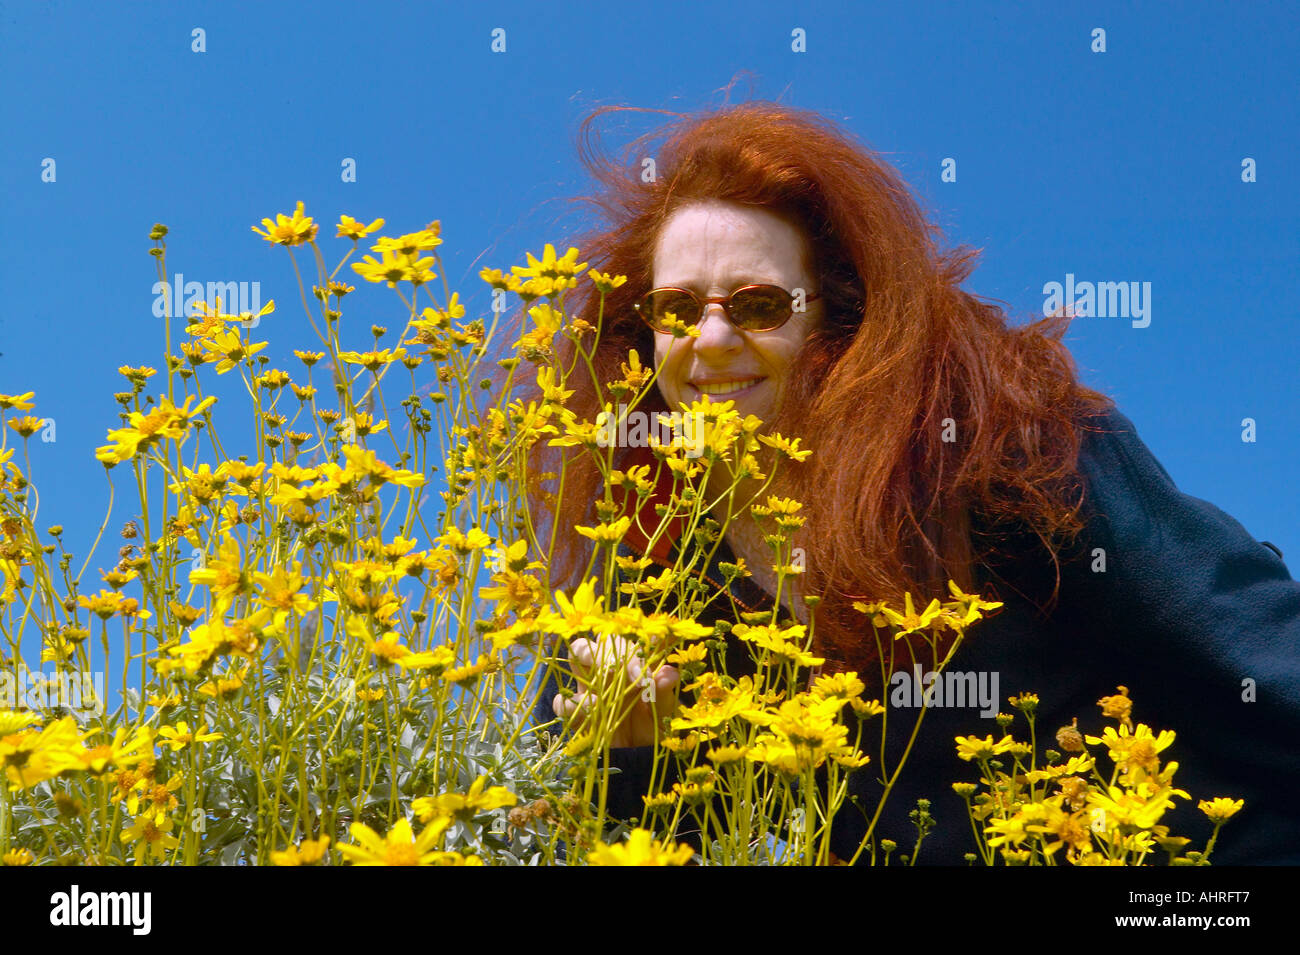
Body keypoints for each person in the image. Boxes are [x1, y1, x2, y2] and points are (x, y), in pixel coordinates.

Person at [526, 101, 1300, 864]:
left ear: (839, 318)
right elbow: (576, 831)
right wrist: (627, 761)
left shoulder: (1014, 450)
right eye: (677, 308)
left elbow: (1251, 640)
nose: (714, 338)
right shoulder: (641, 584)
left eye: (759, 305)